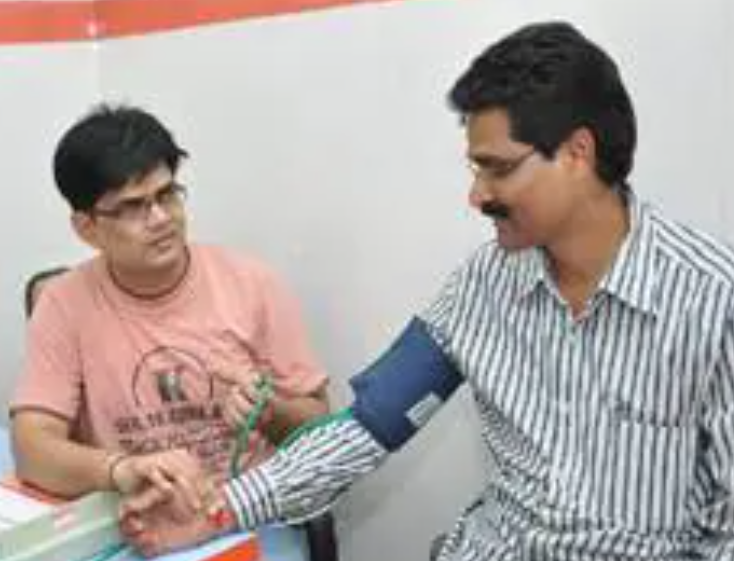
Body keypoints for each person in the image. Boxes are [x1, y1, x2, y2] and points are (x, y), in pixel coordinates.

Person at [118, 21, 734, 560]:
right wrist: (219, 509)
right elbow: (367, 427)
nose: (476, 196)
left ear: (577, 153)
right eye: (475, 168)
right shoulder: (485, 282)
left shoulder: (714, 301)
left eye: (498, 168)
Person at [10, 105, 330, 528]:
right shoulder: (63, 303)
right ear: (86, 228)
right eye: (133, 207)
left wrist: (273, 411)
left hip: (246, 518)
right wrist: (121, 470)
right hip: (136, 522)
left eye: (167, 195)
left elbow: (322, 430)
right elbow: (32, 449)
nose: (161, 219)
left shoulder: (253, 285)